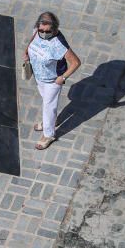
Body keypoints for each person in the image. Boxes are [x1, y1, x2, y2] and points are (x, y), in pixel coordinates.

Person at [24, 11, 81, 149]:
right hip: (39, 76)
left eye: (47, 31)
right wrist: (26, 53)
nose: (43, 33)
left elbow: (76, 62)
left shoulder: (59, 44)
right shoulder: (36, 31)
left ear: (55, 29)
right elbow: (32, 41)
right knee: (47, 102)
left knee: (48, 106)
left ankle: (48, 134)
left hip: (52, 80)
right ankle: (50, 121)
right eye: (41, 30)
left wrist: (63, 77)